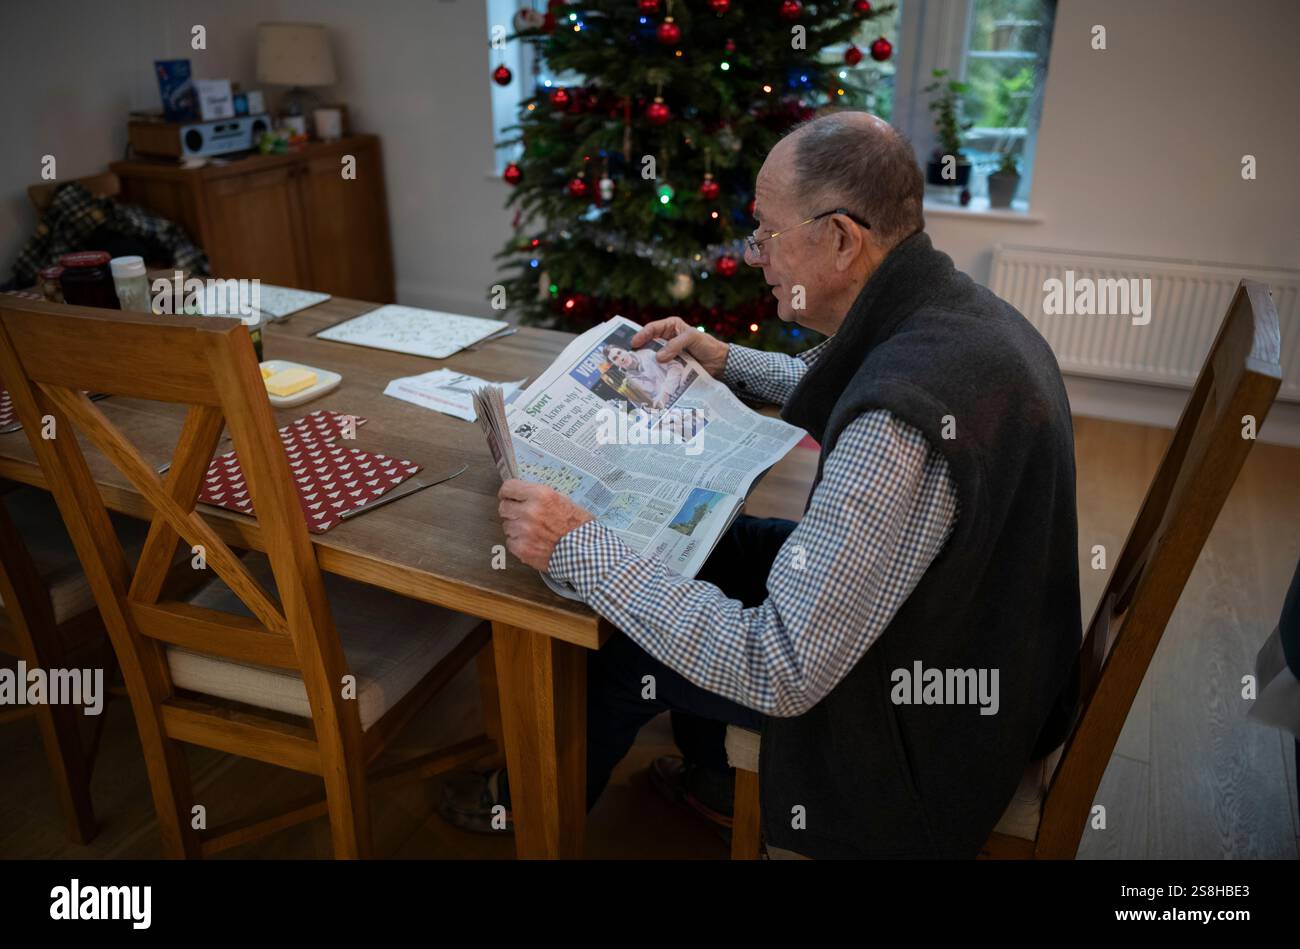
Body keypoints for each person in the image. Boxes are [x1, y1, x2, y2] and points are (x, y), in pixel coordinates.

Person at [440, 111, 1082, 858]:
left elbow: (779, 669)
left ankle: (528, 811)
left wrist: (578, 544)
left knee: (622, 651)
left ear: (841, 238)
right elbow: (840, 371)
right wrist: (724, 360)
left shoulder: (896, 429)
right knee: (714, 547)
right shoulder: (951, 311)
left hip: (918, 736)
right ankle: (714, 778)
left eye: (766, 233)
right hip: (975, 637)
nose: (755, 257)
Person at [603, 342, 687, 410]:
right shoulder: (628, 384)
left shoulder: (646, 354)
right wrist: (654, 407)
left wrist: (666, 392)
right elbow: (641, 408)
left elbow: (675, 366)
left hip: (683, 389)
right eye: (615, 358)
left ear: (625, 350)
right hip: (669, 408)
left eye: (619, 353)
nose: (621, 358)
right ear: (613, 364)